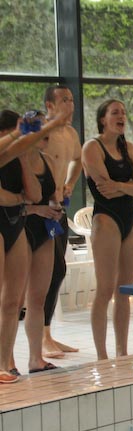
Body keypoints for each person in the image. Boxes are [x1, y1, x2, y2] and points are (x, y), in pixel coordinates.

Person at [0, 109, 64, 382]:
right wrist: (23, 203)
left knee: (23, 300)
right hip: (14, 223)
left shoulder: (26, 158)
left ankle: (17, 363)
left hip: (24, 226)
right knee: (6, 301)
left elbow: (36, 194)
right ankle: (5, 362)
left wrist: (24, 158)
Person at [81, 99, 133, 360]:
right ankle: (101, 355)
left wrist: (121, 186)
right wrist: (129, 186)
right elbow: (103, 190)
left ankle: (122, 352)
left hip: (131, 218)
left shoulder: (128, 148)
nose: (122, 116)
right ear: (103, 119)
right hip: (106, 218)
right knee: (105, 289)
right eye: (115, 113)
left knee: (125, 290)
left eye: (123, 112)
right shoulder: (92, 147)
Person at [20, 111, 65, 374]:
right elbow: (10, 205)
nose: (46, 135)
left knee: (38, 298)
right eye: (41, 129)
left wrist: (55, 207)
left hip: (44, 230)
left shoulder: (47, 160)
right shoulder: (15, 160)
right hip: (20, 229)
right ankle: (6, 361)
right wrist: (36, 210)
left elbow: (51, 195)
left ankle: (35, 359)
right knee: (13, 301)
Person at [41, 85, 83, 358]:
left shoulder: (70, 134)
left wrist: (69, 184)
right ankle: (42, 337)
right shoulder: (41, 134)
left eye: (71, 99)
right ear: (50, 106)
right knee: (46, 272)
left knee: (58, 270)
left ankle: (47, 333)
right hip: (40, 211)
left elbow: (78, 161)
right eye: (64, 100)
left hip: (59, 209)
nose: (70, 104)